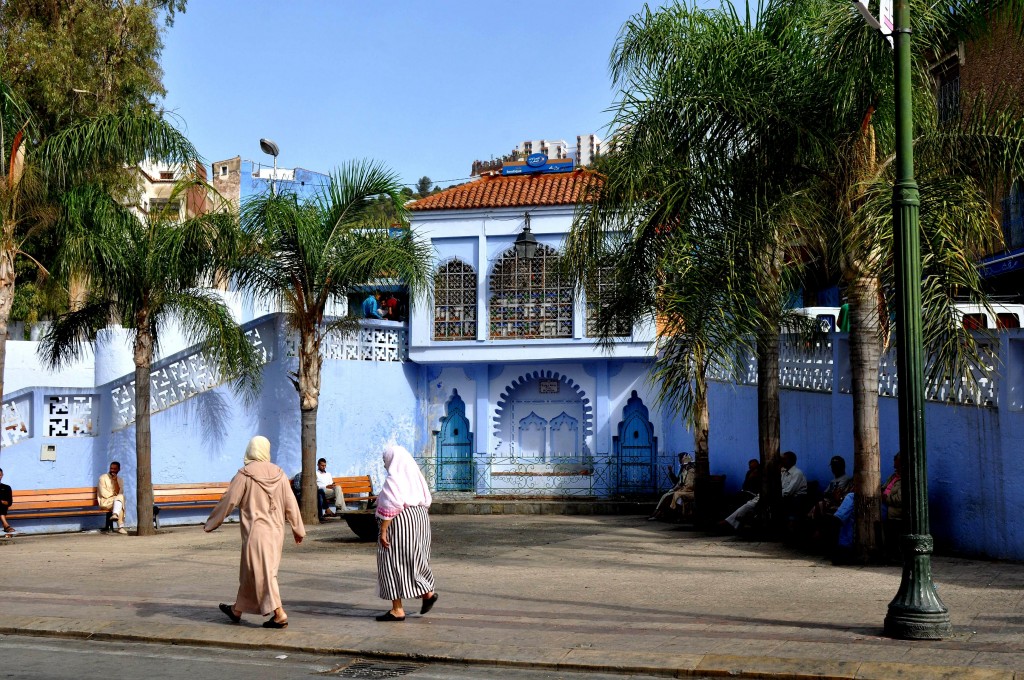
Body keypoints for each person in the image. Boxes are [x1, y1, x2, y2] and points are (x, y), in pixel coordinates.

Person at [205, 436, 305, 629]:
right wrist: (297, 528)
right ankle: (237, 610)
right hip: (276, 531)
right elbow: (290, 503)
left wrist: (213, 522)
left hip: (256, 533)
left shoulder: (244, 475)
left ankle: (279, 614)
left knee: (265, 573)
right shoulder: (279, 473)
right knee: (250, 571)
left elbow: (229, 500)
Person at [374, 445, 437, 622]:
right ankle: (427, 593)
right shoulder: (416, 478)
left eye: (385, 460)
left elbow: (392, 503)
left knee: (391, 562)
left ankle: (397, 609)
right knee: (415, 558)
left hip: (399, 521)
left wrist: (384, 530)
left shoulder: (394, 479)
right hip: (420, 519)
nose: (385, 464)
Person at [647, 453, 695, 521]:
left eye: (680, 459)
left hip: (688, 491)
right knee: (665, 495)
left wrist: (679, 489)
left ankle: (659, 515)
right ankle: (656, 513)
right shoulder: (684, 470)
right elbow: (678, 482)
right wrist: (673, 489)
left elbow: (689, 485)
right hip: (683, 490)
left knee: (669, 497)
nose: (679, 460)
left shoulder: (691, 471)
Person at [809, 456, 853, 522]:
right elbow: (826, 493)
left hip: (836, 503)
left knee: (820, 505)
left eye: (836, 466)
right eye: (833, 467)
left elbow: (837, 495)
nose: (833, 469)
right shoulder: (833, 481)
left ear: (842, 467)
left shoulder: (846, 479)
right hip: (829, 500)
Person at [882, 452, 902, 559]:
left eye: (897, 466)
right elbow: (884, 487)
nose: (895, 468)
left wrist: (886, 498)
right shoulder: (894, 476)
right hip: (884, 503)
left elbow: (899, 499)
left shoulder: (906, 478)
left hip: (893, 509)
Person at [98, 461, 127, 534]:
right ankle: (120, 527)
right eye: (111, 468)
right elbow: (103, 493)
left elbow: (120, 492)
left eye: (114, 469)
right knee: (120, 501)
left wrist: (115, 481)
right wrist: (115, 497)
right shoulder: (103, 478)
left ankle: (115, 514)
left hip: (115, 502)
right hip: (105, 502)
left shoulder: (120, 480)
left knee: (120, 500)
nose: (112, 470)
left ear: (118, 470)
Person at [0, 468, 14, 536]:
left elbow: (9, 503)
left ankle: (6, 525)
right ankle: (6, 526)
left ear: (2, 475)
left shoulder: (6, 487)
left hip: (3, 507)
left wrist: (2, 502)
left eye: (0, 475)